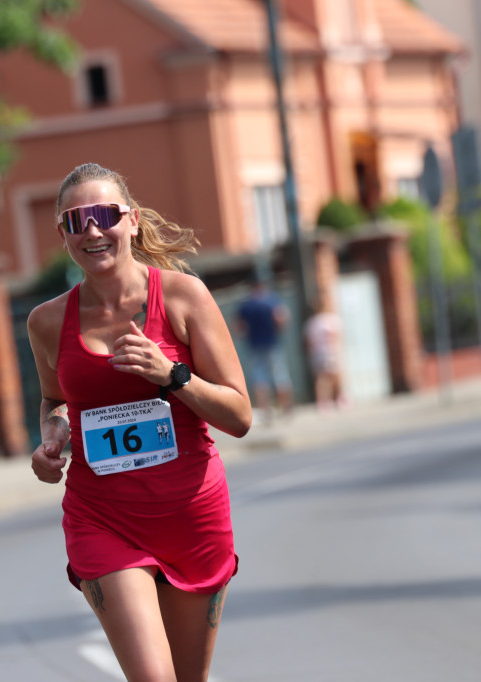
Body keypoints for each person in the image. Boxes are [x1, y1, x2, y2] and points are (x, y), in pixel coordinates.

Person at [27, 163, 252, 681]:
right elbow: (53, 399)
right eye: (75, 220)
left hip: (190, 514)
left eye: (104, 214)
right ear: (63, 234)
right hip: (102, 516)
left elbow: (239, 416)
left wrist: (172, 375)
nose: (91, 230)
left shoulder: (182, 297)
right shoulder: (46, 321)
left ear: (130, 221)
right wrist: (52, 435)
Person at [236, 275, 293, 419]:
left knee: (259, 379)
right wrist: (278, 330)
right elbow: (281, 318)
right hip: (272, 343)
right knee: (280, 376)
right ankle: (285, 408)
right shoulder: (271, 301)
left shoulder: (246, 305)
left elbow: (239, 326)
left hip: (254, 345)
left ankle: (265, 411)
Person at [304, 299, 346, 411]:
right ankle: (336, 399)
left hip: (319, 353)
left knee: (323, 378)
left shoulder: (313, 322)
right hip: (329, 352)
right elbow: (338, 337)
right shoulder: (331, 319)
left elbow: (308, 342)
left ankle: (324, 401)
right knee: (333, 377)